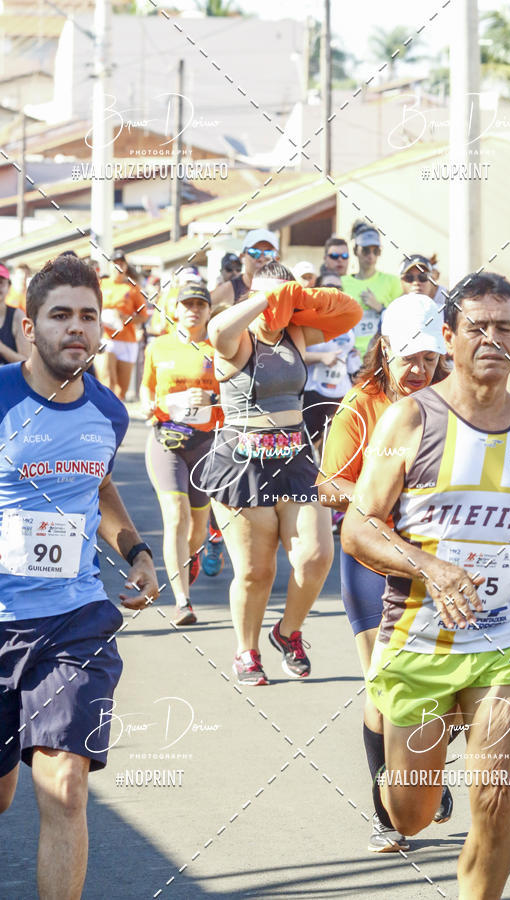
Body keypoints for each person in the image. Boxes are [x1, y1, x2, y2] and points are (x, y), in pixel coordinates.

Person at [342, 272, 510, 899]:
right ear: (449, 337)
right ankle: (398, 771)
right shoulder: (409, 421)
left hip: (504, 642)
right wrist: (431, 566)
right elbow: (358, 529)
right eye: (476, 327)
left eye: (504, 327)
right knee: (413, 814)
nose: (491, 338)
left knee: (495, 800)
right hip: (419, 644)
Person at [0, 254, 159, 900]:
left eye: (88, 317)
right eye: (60, 314)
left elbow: (94, 485)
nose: (76, 328)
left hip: (75, 621)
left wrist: (138, 550)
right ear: (28, 327)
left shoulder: (108, 413)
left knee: (65, 786)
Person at [318, 294, 450, 853]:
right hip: (373, 557)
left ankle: (422, 777)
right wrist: (371, 494)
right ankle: (385, 811)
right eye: (408, 359)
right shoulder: (362, 404)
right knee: (381, 687)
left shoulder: (455, 403)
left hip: (442, 558)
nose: (418, 370)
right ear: (386, 352)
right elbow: (328, 484)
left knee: (452, 687)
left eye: (429, 358)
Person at [201, 261, 362, 685]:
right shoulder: (236, 338)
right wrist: (264, 299)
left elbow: (350, 313)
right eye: (267, 298)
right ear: (251, 297)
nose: (275, 308)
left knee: (316, 554)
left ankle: (287, 632)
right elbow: (215, 332)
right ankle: (246, 650)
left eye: (282, 297)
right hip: (242, 461)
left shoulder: (297, 332)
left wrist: (298, 297)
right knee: (257, 572)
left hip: (295, 458)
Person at [141, 282, 224, 626]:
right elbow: (146, 389)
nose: (193, 309)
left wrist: (212, 402)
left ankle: (186, 561)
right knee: (176, 516)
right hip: (166, 442)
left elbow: (234, 399)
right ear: (175, 309)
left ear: (208, 311)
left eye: (200, 304)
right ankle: (182, 602)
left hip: (205, 446)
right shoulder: (158, 347)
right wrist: (153, 405)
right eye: (186, 304)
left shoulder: (219, 348)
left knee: (197, 528)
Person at [303, 268, 360, 453]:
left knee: (333, 448)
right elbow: (293, 357)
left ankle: (328, 480)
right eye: (329, 287)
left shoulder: (349, 321)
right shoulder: (307, 319)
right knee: (308, 448)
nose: (335, 292)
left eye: (339, 287)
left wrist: (354, 358)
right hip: (313, 394)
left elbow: (348, 352)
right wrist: (321, 357)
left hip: (340, 393)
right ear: (318, 290)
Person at [341, 221, 403, 357]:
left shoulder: (392, 282)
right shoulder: (342, 283)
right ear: (355, 250)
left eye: (376, 251)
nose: (371, 256)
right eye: (366, 250)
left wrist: (381, 309)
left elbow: (402, 322)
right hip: (350, 357)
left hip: (381, 357)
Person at [96, 251, 148, 400]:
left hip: (127, 340)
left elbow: (143, 316)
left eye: (121, 263)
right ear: (110, 265)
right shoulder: (101, 284)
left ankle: (116, 419)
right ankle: (104, 416)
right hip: (106, 338)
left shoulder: (132, 288)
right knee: (106, 382)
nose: (118, 266)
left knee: (121, 390)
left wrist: (126, 318)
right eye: (115, 263)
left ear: (125, 267)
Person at [210, 229, 280, 306]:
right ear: (242, 257)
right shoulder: (226, 291)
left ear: (277, 259)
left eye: (269, 254)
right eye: (254, 252)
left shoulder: (285, 291)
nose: (261, 259)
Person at [0, 263, 29, 364]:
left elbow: (27, 363)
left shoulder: (18, 316)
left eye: (1, 282)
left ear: (9, 286)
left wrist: (2, 349)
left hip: (9, 378)